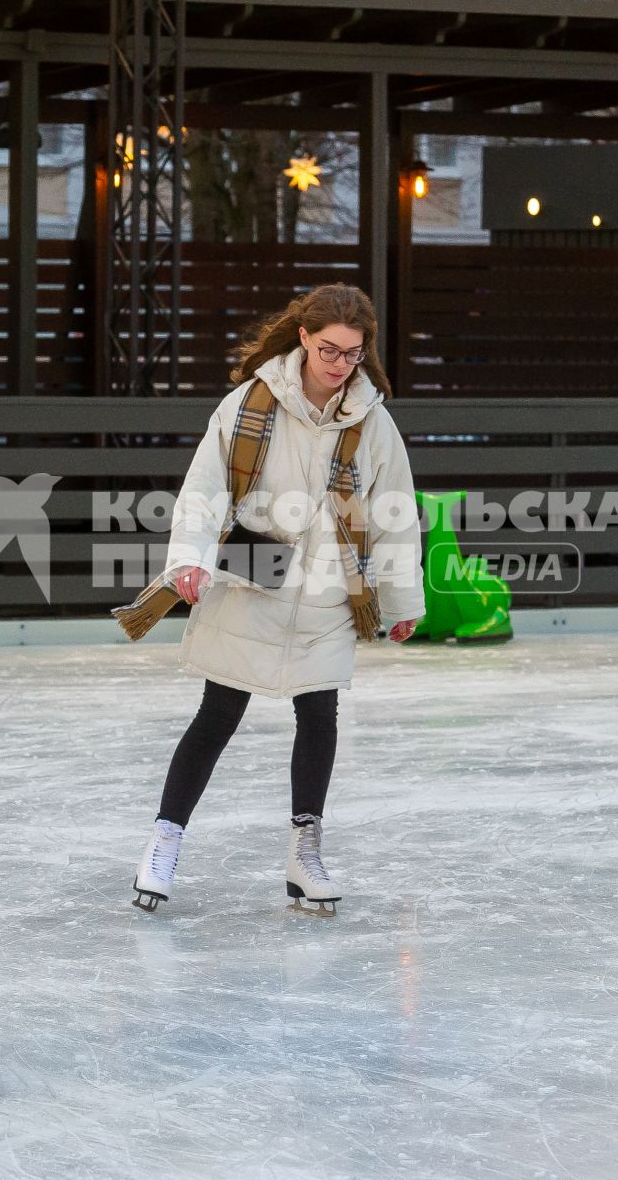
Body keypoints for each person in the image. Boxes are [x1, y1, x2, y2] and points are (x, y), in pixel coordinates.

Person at [126, 284, 424, 914]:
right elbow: (204, 492)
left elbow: (395, 512)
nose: (339, 364)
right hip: (251, 578)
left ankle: (304, 853)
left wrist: (400, 602)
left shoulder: (373, 421)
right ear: (303, 339)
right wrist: (188, 560)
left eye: (352, 353)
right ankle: (163, 843)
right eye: (327, 350)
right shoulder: (250, 403)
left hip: (329, 591)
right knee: (217, 714)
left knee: (320, 718)